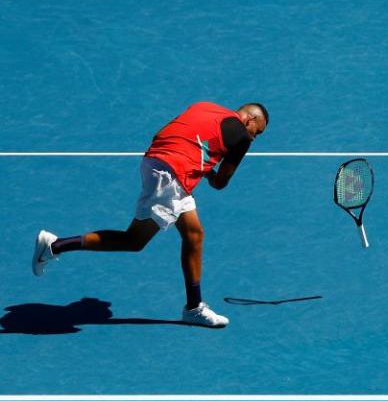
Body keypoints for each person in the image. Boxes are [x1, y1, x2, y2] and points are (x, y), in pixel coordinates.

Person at [32, 102, 269, 328]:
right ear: (250, 119)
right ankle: (55, 245)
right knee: (134, 240)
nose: (252, 138)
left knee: (194, 234)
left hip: (156, 161)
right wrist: (208, 171)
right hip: (173, 176)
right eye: (256, 133)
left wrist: (197, 161)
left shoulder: (204, 106)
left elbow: (162, 133)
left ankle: (194, 307)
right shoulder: (241, 138)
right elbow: (220, 182)